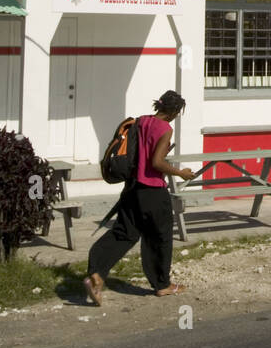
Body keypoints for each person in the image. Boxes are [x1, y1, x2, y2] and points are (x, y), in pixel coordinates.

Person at [83, 90, 194, 303]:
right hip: (153, 191)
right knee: (159, 238)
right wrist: (181, 173)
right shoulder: (165, 129)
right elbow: (157, 163)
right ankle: (162, 285)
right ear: (173, 111)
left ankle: (96, 273)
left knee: (123, 233)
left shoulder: (141, 121)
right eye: (177, 113)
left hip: (132, 189)